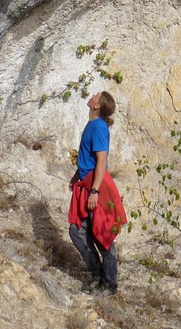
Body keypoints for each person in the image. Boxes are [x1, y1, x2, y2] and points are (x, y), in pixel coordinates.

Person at [68, 90, 126, 294]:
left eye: (96, 95)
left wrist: (94, 191)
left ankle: (110, 285)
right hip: (88, 183)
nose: (92, 95)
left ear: (97, 106)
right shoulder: (92, 125)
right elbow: (89, 157)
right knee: (77, 231)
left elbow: (101, 161)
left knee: (102, 235)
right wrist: (77, 175)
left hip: (97, 187)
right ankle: (97, 275)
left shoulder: (99, 127)